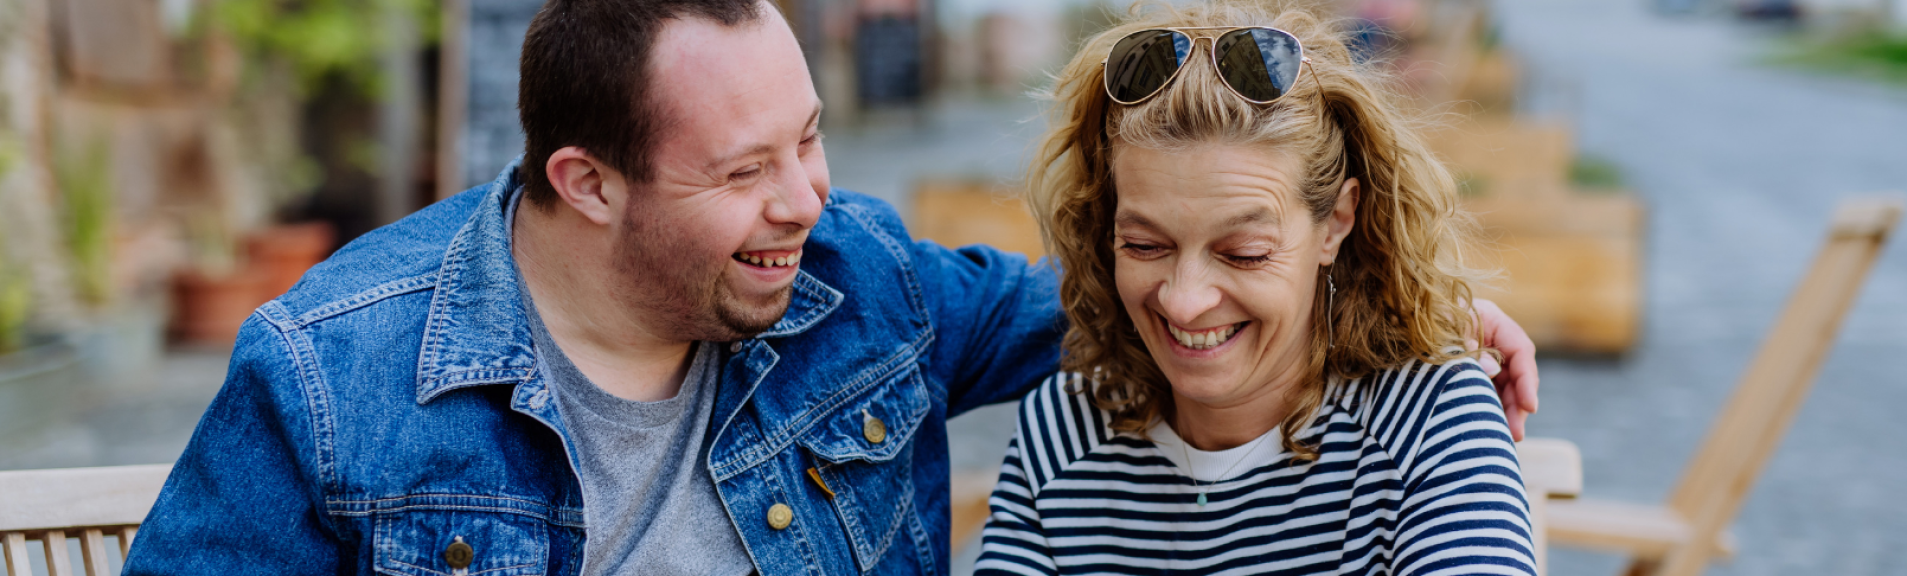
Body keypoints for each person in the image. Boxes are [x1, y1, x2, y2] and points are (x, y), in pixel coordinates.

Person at [121, 0, 1540, 573]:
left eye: (811, 138)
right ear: (587, 182)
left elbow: (1155, 299)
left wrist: (1405, 310)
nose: (809, 199)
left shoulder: (859, 283)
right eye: (747, 171)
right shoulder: (334, 376)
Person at [976, 1, 1535, 574]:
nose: (1185, 300)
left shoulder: (1427, 419)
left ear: (1336, 224)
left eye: (1244, 254)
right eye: (1145, 246)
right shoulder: (1060, 430)